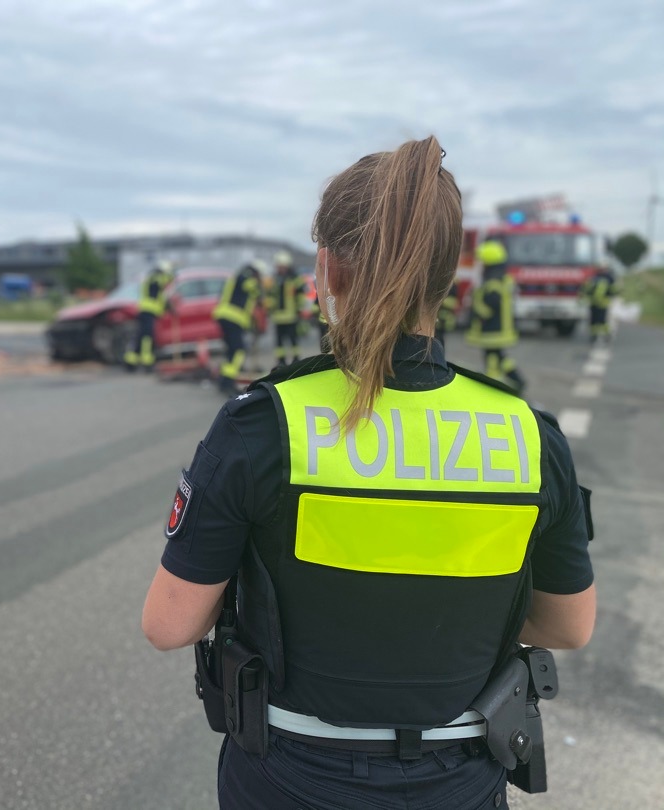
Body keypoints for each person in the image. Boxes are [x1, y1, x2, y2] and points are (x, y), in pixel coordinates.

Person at [142, 137, 595, 810]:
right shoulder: (529, 437)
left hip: (292, 776)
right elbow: (568, 628)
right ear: (446, 281)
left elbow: (169, 624)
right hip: (461, 776)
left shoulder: (263, 423)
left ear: (327, 268)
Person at [466, 239, 526, 393]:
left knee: (492, 361)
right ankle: (516, 379)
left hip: (492, 331)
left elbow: (487, 308)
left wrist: (475, 303)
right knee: (499, 357)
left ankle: (494, 389)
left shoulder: (493, 284)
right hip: (500, 329)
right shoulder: (504, 280)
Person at [212, 260, 265, 396]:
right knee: (238, 351)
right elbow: (255, 290)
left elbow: (247, 300)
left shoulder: (237, 276)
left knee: (231, 351)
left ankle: (223, 381)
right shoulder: (246, 277)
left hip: (225, 316)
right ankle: (228, 382)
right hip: (233, 318)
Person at [124, 260, 175, 372]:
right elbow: (165, 283)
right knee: (147, 337)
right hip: (150, 311)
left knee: (140, 336)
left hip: (144, 310)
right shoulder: (157, 278)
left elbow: (159, 293)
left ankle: (130, 362)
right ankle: (147, 362)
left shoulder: (149, 278)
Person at [267, 251, 309, 366]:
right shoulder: (274, 279)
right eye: (278, 266)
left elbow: (301, 294)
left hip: (291, 316)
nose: (280, 269)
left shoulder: (294, 278)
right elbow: (270, 295)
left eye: (282, 266)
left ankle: (296, 360)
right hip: (278, 317)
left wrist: (300, 308)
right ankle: (281, 361)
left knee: (293, 340)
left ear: (287, 266)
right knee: (279, 342)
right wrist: (269, 305)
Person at [580, 263, 619, 344]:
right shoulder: (594, 278)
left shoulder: (608, 278)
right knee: (594, 321)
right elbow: (586, 288)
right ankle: (594, 336)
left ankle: (606, 335)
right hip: (594, 303)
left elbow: (613, 290)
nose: (602, 270)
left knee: (602, 320)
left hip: (602, 303)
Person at [434, 282, 459, 346]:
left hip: (443, 320)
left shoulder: (453, 286)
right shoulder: (452, 284)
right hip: (439, 319)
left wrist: (440, 301)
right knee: (438, 337)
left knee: (439, 337)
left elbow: (453, 302)